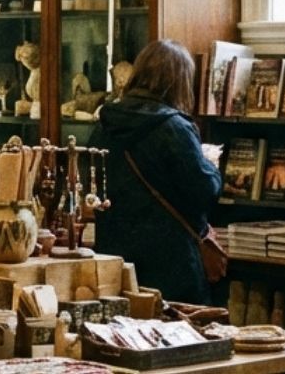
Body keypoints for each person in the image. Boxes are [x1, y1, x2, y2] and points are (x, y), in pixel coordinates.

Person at [88, 39, 222, 304]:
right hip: (171, 262)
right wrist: (211, 166)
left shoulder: (104, 125)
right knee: (177, 339)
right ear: (180, 82)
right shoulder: (174, 127)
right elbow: (204, 191)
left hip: (115, 256)